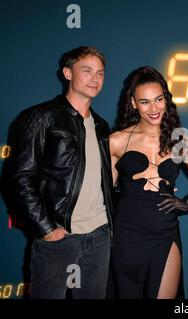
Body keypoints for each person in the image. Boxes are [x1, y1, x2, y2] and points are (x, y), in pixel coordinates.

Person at [7, 46, 114, 298]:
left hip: (98, 236)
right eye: (87, 71)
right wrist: (47, 229)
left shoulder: (101, 125)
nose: (95, 79)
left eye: (100, 73)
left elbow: (104, 180)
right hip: (59, 236)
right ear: (67, 73)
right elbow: (21, 178)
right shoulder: (41, 117)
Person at [109, 66, 188, 299]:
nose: (154, 108)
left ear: (166, 99)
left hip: (164, 232)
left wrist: (187, 203)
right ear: (133, 103)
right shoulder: (116, 141)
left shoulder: (180, 139)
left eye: (159, 99)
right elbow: (104, 195)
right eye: (145, 102)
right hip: (126, 234)